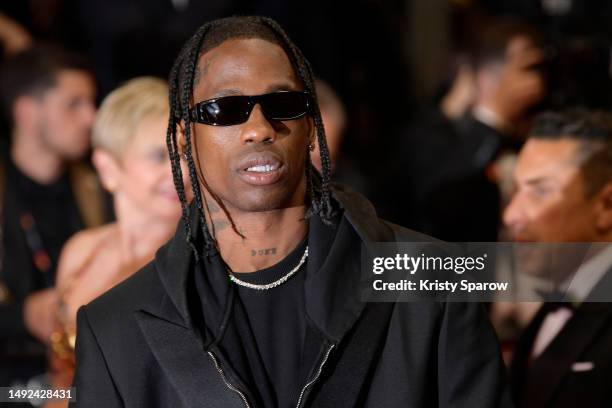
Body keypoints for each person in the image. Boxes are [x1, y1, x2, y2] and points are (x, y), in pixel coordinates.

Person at [71, 16, 508, 407]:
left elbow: (559, 275)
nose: (259, 128)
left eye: (282, 105)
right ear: (184, 139)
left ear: (309, 125)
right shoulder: (115, 326)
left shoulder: (432, 278)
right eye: (225, 109)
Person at [49, 77, 187, 391]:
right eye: (158, 156)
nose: (181, 172)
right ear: (107, 167)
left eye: (184, 155)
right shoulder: (81, 250)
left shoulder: (199, 260)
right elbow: (59, 382)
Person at [0, 45, 105, 386]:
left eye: (91, 102)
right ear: (27, 112)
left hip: (86, 370)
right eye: (74, 104)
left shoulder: (97, 185)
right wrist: (25, 315)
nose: (91, 117)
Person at [504, 109, 612, 407]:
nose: (511, 215)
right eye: (515, 190)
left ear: (606, 205)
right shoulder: (555, 301)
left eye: (539, 191)